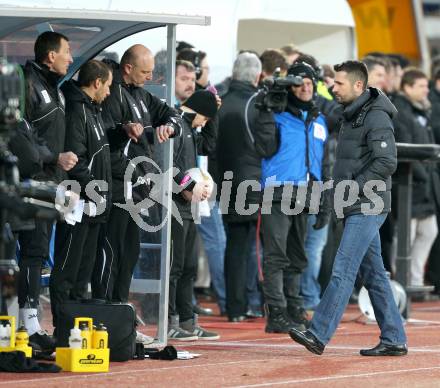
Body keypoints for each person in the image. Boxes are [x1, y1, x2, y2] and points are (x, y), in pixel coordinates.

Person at [289, 60, 407, 356]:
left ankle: (318, 333)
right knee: (374, 274)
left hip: (368, 203)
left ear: (358, 85)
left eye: (339, 83)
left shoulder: (376, 116)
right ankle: (394, 338)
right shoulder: (352, 113)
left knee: (343, 268)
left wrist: (351, 187)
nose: (333, 88)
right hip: (355, 202)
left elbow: (387, 162)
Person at [93, 44, 181, 345]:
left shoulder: (143, 96)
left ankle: (121, 318)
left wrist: (168, 126)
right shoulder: (110, 93)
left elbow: (173, 116)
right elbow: (104, 134)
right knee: (112, 253)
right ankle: (104, 315)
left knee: (129, 254)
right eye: (145, 71)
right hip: (116, 187)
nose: (150, 76)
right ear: (128, 68)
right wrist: (125, 130)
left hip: (139, 189)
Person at [254, 62, 329, 333]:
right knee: (276, 256)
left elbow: (322, 162)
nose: (306, 87)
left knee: (297, 256)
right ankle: (276, 312)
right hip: (277, 192)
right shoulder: (275, 115)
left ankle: (294, 306)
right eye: (299, 83)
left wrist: (324, 202)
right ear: (290, 87)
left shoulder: (319, 119)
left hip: (307, 193)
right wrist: (264, 110)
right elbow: (263, 147)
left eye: (309, 82)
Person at [19, 31, 76, 355]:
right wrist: (52, 157)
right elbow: (20, 137)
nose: (70, 58)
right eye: (67, 52)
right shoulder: (28, 84)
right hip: (31, 183)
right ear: (50, 56)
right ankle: (27, 325)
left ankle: (32, 323)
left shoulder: (55, 88)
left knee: (38, 254)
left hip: (51, 182)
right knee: (31, 253)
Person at [50, 60, 113, 328]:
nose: (110, 92)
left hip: (93, 203)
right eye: (108, 86)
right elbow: (77, 158)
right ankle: (62, 326)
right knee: (67, 266)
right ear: (97, 82)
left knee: (83, 270)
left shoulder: (94, 110)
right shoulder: (77, 109)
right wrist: (94, 191)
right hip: (79, 201)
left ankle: (75, 327)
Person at [168, 89, 219, 341]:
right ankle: (169, 321)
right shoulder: (176, 125)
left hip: (187, 207)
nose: (205, 124)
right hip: (173, 205)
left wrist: (213, 114)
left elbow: (209, 145)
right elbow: (168, 163)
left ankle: (187, 321)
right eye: (206, 118)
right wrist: (189, 186)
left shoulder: (189, 128)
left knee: (188, 266)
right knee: (174, 267)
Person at [217, 52, 263, 322]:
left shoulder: (221, 101)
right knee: (253, 246)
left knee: (235, 245)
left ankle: (235, 306)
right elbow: (266, 145)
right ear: (257, 76)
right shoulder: (256, 103)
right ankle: (250, 302)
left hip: (225, 180)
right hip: (253, 181)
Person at [393, 68, 438, 287]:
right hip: (408, 184)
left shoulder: (420, 111)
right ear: (407, 87)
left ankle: (416, 281)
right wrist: (422, 175)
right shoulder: (402, 112)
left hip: (424, 186)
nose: (426, 90)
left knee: (429, 231)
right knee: (404, 238)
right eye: (421, 86)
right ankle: (400, 281)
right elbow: (407, 149)